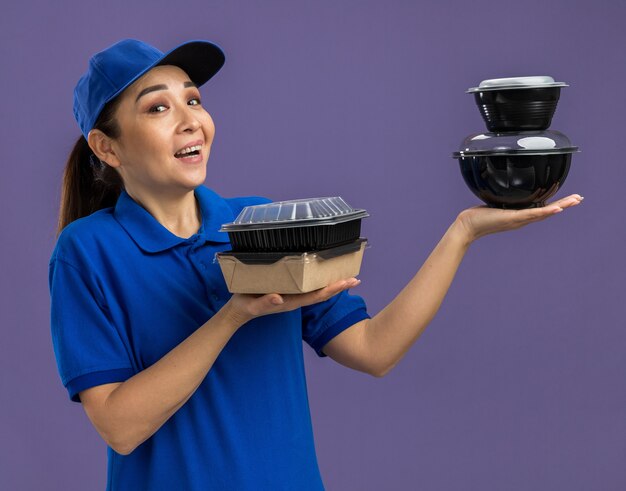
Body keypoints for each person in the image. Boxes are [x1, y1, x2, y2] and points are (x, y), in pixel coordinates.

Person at [49, 38, 583, 491]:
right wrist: (236, 314)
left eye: (194, 100)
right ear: (107, 148)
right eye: (158, 108)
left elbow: (374, 350)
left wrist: (462, 233)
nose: (191, 120)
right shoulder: (87, 252)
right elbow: (120, 426)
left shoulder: (261, 224)